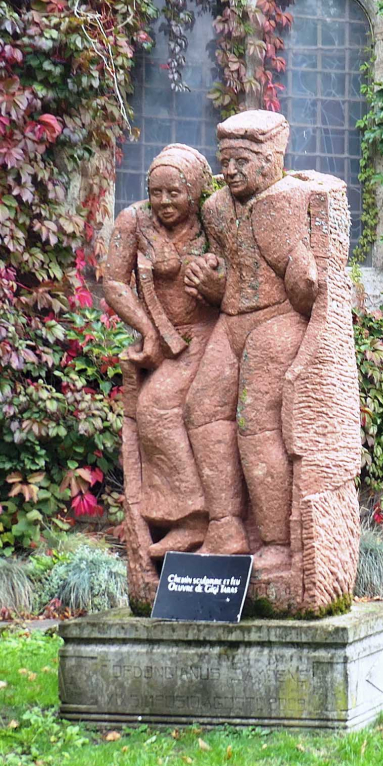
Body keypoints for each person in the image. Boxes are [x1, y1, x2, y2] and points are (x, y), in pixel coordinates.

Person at [183, 110, 319, 570]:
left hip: (277, 322)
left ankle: (279, 543)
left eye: (242, 160)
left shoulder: (283, 202)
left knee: (256, 424)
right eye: (225, 160)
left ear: (271, 160)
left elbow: (300, 279)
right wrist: (209, 281)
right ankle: (225, 527)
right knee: (201, 410)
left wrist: (306, 278)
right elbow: (231, 273)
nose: (231, 171)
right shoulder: (216, 208)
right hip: (232, 320)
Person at [104, 144, 216, 558]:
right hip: (163, 339)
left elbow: (237, 281)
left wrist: (209, 284)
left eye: (175, 193)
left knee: (161, 409)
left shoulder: (213, 219)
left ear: (195, 191)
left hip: (206, 336)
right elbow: (114, 282)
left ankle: (197, 521)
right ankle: (187, 519)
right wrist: (147, 329)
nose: (165, 202)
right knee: (155, 411)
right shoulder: (133, 221)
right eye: (157, 193)